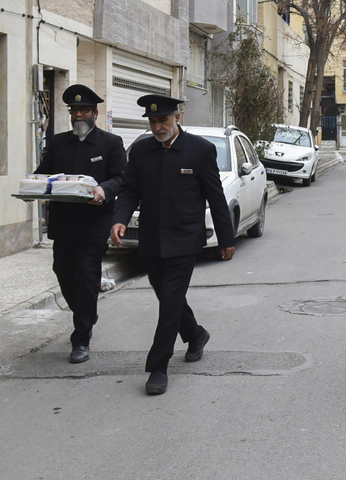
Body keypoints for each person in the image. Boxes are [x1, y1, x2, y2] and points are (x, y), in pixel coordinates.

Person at [110, 94, 235, 395]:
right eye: (153, 121)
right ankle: (196, 334)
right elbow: (129, 191)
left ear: (177, 117)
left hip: (185, 240)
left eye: (163, 120)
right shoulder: (140, 151)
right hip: (151, 240)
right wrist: (120, 219)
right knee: (168, 297)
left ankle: (158, 367)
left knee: (168, 304)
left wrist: (226, 239)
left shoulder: (200, 151)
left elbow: (215, 197)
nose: (158, 126)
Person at [34, 84, 127, 364]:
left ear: (95, 114)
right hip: (63, 224)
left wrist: (104, 189)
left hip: (94, 224)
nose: (78, 115)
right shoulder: (58, 143)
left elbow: (122, 178)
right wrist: (31, 189)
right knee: (62, 271)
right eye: (74, 110)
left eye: (83, 110)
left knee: (87, 276)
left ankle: (81, 337)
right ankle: (85, 314)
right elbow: (42, 175)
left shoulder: (111, 143)